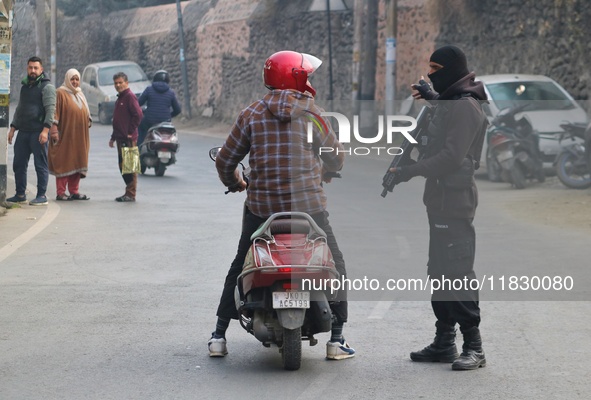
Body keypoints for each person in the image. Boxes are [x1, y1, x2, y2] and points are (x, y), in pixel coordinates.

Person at [208, 50, 355, 360]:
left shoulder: (251, 114)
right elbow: (336, 157)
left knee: (240, 264)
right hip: (309, 209)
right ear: (297, 78)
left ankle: (219, 335)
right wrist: (327, 173)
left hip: (262, 211)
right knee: (335, 262)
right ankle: (336, 339)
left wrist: (235, 183)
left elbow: (226, 160)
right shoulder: (315, 115)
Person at [390, 45, 489, 370]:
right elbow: (445, 109)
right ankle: (444, 341)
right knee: (440, 273)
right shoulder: (453, 100)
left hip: (456, 204)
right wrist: (431, 94)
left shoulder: (466, 107)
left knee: (458, 274)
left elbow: (450, 157)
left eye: (436, 69)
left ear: (452, 71)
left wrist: (409, 171)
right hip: (440, 203)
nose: (432, 73)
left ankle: (474, 347)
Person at [7, 56, 56, 206]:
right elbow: (20, 109)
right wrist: (13, 127)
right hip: (23, 132)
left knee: (40, 164)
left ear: (41, 70)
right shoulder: (25, 87)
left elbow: (50, 110)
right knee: (19, 163)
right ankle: (20, 193)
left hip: (38, 132)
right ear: (27, 68)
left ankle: (41, 195)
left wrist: (45, 131)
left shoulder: (47, 87)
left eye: (36, 68)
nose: (33, 70)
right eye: (30, 67)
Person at [48, 68, 92, 201]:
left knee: (77, 161)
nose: (74, 82)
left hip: (80, 136)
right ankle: (61, 192)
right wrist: (54, 130)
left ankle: (74, 191)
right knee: (64, 161)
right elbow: (54, 112)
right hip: (66, 135)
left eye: (77, 79)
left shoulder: (80, 94)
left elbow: (85, 112)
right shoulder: (60, 92)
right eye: (72, 79)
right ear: (67, 79)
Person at [108, 72, 143, 202]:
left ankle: (131, 194)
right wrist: (113, 138)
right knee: (123, 166)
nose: (118, 85)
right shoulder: (120, 98)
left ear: (126, 83)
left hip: (128, 138)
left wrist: (130, 131)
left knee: (130, 166)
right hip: (120, 138)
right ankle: (128, 192)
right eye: (116, 83)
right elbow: (117, 120)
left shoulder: (129, 97)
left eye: (120, 82)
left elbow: (138, 115)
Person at [137, 69, 181, 147]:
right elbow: (177, 110)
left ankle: (140, 147)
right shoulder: (171, 92)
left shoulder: (149, 89)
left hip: (150, 120)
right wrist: (169, 115)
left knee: (141, 127)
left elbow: (138, 103)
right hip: (165, 121)